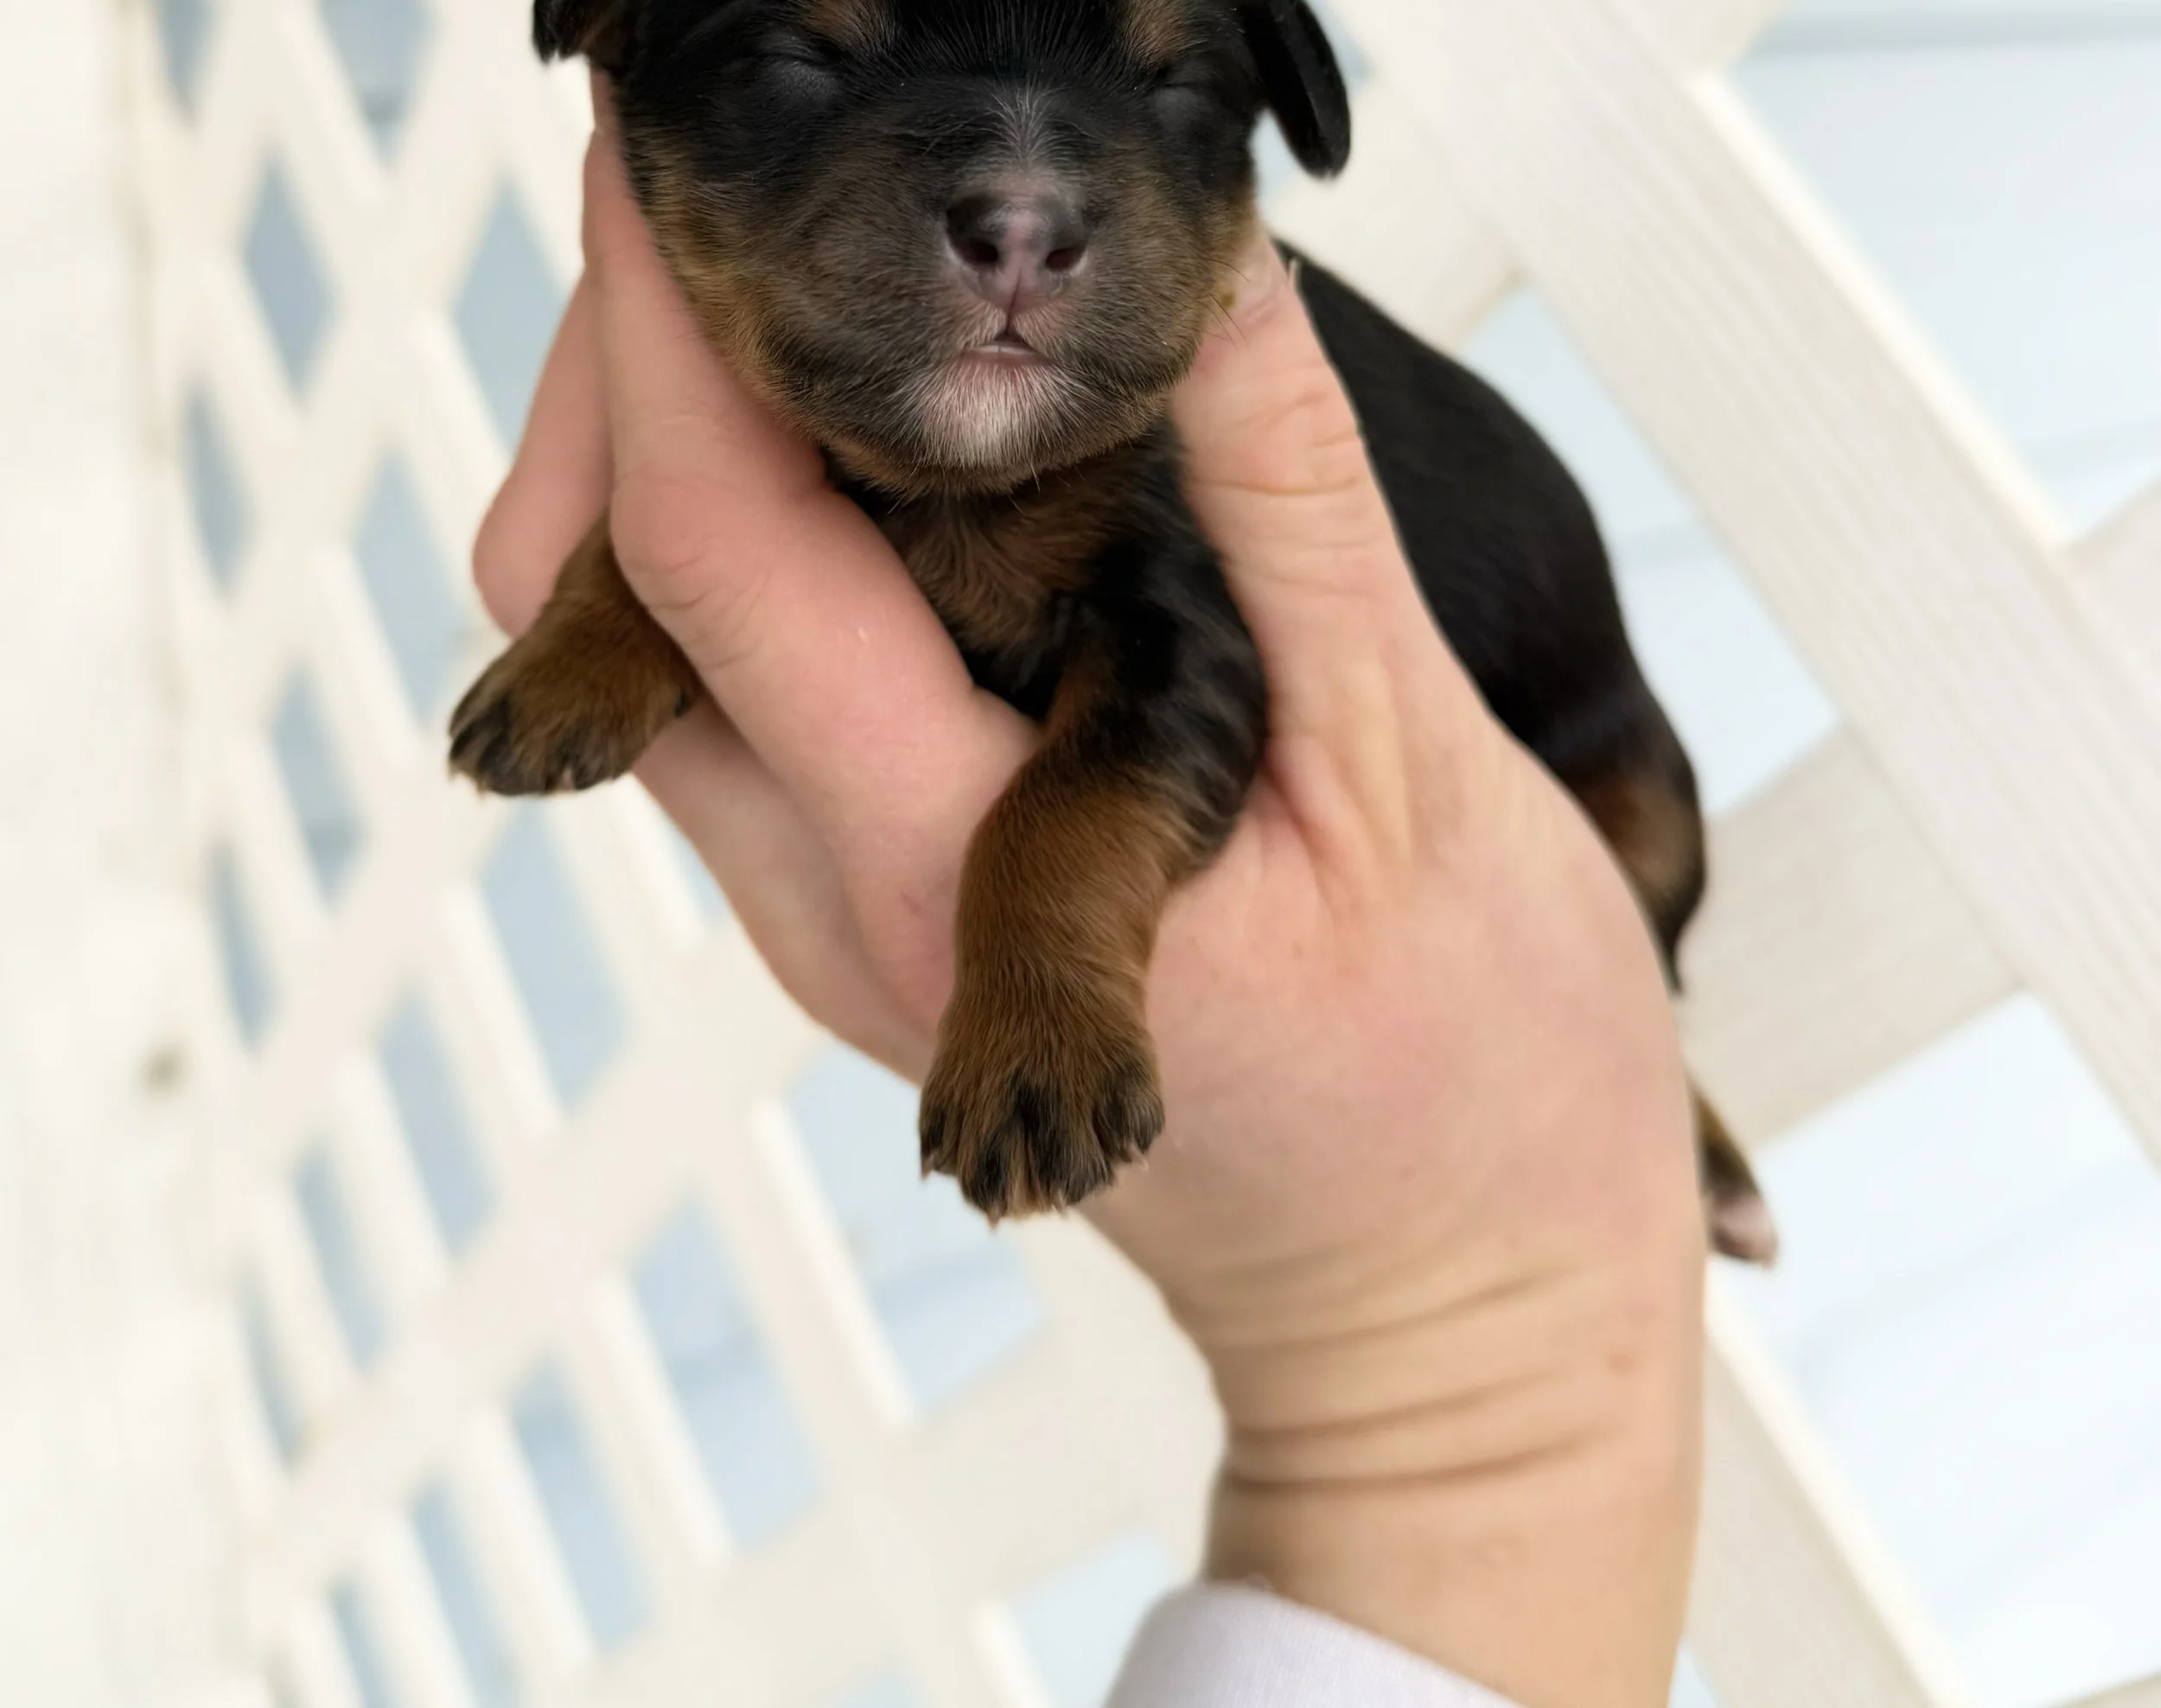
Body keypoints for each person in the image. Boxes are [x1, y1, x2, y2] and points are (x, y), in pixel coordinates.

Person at [476, 105, 1708, 1708]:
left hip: (1570, 760)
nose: (1018, 213)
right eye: (816, 70)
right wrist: (1476, 1334)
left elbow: (1160, 676)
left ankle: (1674, 1059)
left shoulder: (1104, 424)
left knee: (1643, 850)